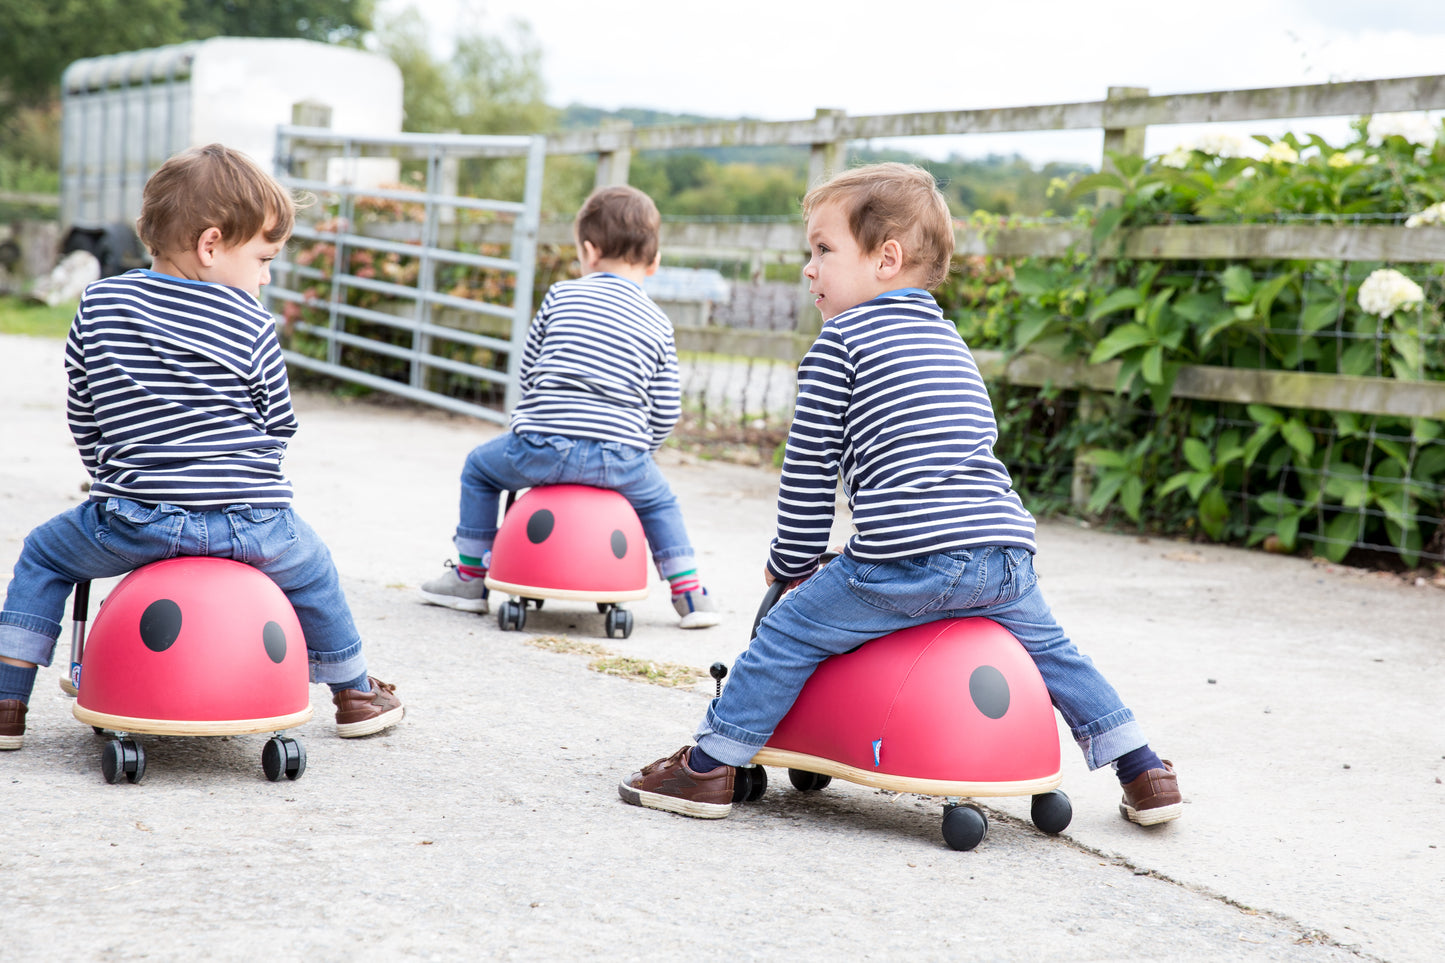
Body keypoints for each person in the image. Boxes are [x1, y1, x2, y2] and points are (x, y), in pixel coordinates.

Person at [618, 162, 1182, 826]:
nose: (808, 269)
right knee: (1056, 655)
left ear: (885, 259)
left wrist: (792, 563)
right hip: (1002, 552)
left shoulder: (839, 344)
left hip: (905, 560)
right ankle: (1143, 769)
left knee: (787, 633)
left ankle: (710, 765)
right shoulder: (950, 340)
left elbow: (807, 473)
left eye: (823, 249)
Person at [0, 144, 404, 751]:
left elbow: (84, 412)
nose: (265, 277)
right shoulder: (251, 322)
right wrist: (244, 476)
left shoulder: (100, 303)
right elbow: (279, 423)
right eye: (263, 260)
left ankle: (8, 701)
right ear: (211, 245)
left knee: (44, 556)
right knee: (314, 570)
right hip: (254, 524)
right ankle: (354, 692)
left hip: (134, 518)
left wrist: (113, 474)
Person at [419, 185, 720, 629]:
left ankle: (469, 577)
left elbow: (529, 373)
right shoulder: (659, 322)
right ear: (654, 262)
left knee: (479, 470)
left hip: (541, 447)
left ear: (589, 251)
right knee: (660, 503)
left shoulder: (561, 296)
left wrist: (534, 420)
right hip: (620, 456)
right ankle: (689, 594)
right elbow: (666, 407)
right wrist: (642, 450)